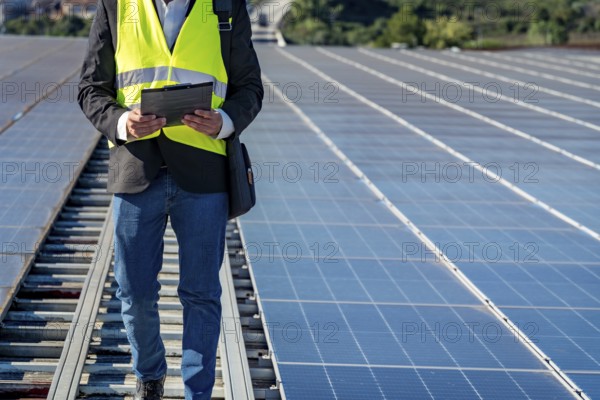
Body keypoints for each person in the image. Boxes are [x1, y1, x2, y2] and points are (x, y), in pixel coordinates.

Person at [77, 0, 263, 398]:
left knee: (201, 293)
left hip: (203, 171)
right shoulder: (116, 5)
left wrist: (225, 121)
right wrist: (123, 121)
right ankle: (150, 375)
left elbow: (250, 86)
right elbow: (91, 89)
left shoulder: (225, 6)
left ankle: (198, 392)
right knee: (134, 290)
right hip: (135, 168)